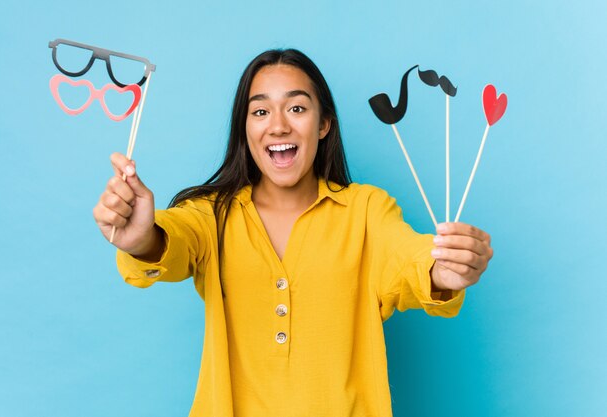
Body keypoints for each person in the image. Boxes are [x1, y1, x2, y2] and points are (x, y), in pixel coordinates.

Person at [93, 49, 493, 417]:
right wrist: (141, 237)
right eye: (261, 112)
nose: (278, 126)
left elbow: (408, 259)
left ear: (323, 125)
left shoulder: (367, 210)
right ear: (244, 128)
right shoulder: (210, 215)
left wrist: (444, 270)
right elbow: (172, 240)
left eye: (297, 108)